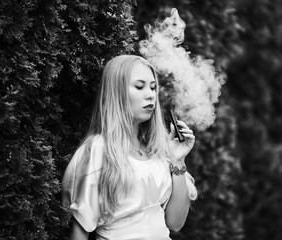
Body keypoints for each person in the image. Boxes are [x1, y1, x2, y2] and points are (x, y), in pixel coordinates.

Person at [62, 55, 197, 240]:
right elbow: (80, 230)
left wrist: (178, 160)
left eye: (153, 87)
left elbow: (175, 223)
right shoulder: (98, 149)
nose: (150, 94)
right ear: (117, 92)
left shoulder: (158, 148)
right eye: (139, 86)